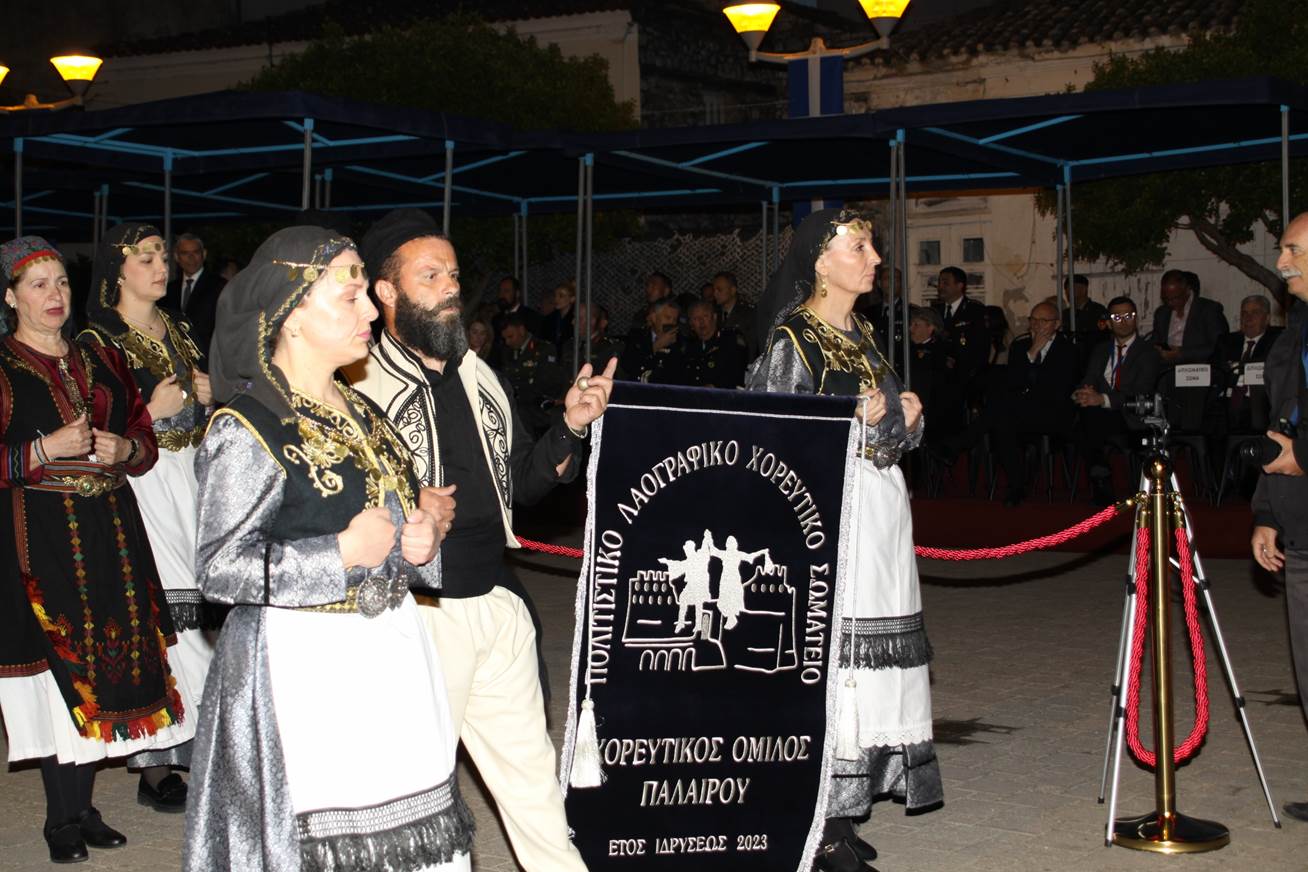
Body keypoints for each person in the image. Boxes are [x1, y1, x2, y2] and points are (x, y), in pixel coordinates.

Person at [183, 225, 471, 871]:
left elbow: (399, 539)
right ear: (291, 314)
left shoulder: (368, 417)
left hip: (395, 654)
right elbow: (220, 569)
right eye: (350, 297)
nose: (370, 310)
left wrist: (422, 541)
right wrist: (339, 552)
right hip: (305, 671)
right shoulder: (247, 426)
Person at [350, 207, 616, 872]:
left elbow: (523, 483)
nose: (450, 287)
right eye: (430, 275)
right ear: (386, 291)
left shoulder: (480, 374)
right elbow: (334, 511)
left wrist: (571, 427)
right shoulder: (357, 385)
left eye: (454, 274)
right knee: (416, 797)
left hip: (496, 599)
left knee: (533, 783)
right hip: (417, 613)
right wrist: (405, 506)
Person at [749, 209, 939, 872]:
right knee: (834, 667)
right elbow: (772, 439)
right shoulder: (794, 339)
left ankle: (844, 809)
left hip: (879, 519)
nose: (874, 258)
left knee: (869, 671)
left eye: (872, 247)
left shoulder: (862, 333)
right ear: (820, 262)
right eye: (858, 247)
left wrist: (903, 420)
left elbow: (879, 432)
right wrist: (846, 423)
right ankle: (820, 823)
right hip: (829, 523)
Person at [0, 236, 193, 864]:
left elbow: (141, 434)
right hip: (40, 539)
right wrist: (42, 450)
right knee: (63, 675)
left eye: (61, 282)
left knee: (104, 667)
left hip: (110, 531)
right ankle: (61, 818)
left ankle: (83, 809)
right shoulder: (3, 366)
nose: (54, 295)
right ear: (11, 298)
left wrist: (125, 448)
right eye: (38, 285)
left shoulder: (97, 358)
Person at [80, 223, 218, 813]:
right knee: (169, 622)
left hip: (196, 477)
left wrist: (210, 395)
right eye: (146, 258)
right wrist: (149, 410)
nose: (161, 266)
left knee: (206, 614)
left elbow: (204, 404)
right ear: (118, 271)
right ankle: (161, 761)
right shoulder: (97, 340)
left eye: (162, 255)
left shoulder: (180, 328)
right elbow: (92, 425)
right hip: (145, 484)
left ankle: (205, 748)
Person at [1252, 212, 1308, 824]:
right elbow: (1279, 426)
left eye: (1292, 250)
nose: (1282, 262)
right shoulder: (1294, 333)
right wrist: (1267, 511)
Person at [1073, 295, 1163, 505]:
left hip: (1133, 415)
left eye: (1128, 316)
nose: (1123, 321)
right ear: (1108, 322)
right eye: (1117, 317)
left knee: (1090, 418)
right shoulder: (1100, 350)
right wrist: (1083, 392)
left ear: (1136, 319)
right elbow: (1089, 378)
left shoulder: (1148, 351)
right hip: (1100, 413)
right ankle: (1101, 477)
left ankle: (1101, 479)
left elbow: (1141, 391)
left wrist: (1102, 399)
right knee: (1087, 413)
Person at [990, 302, 1080, 505]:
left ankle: (960, 442)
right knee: (1002, 420)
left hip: (1052, 412)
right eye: (1034, 320)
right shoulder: (1021, 346)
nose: (1038, 325)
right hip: (1021, 411)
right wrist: (1032, 353)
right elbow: (1013, 383)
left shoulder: (1067, 349)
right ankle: (1017, 486)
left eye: (1044, 321)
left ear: (1056, 324)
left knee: (999, 413)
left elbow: (1059, 388)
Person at [1213, 294, 1281, 435]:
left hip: (1259, 401)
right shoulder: (1226, 341)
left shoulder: (1277, 340)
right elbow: (1215, 370)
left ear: (1267, 318)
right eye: (1244, 313)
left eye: (1255, 313)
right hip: (1228, 400)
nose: (1248, 318)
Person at [655, 299, 747, 388]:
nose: (701, 321)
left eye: (705, 316)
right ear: (691, 324)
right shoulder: (687, 346)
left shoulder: (729, 338)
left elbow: (736, 369)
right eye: (696, 318)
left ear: (714, 317)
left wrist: (717, 386)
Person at [163, 233, 226, 355]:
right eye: (185, 253)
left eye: (196, 252)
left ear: (204, 254)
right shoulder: (168, 290)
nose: (191, 258)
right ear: (176, 257)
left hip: (209, 357)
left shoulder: (219, 286)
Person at [1151, 269, 1227, 366]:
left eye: (1175, 298)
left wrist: (1181, 353)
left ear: (1187, 290)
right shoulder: (1162, 313)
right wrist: (1160, 349)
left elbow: (1218, 347)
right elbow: (1155, 343)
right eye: (1166, 299)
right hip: (1167, 368)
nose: (1170, 303)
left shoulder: (1208, 310)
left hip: (1199, 368)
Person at [621, 296, 681, 382]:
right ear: (654, 317)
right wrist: (655, 346)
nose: (671, 322)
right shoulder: (637, 336)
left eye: (675, 320)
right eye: (667, 318)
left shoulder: (680, 341)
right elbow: (627, 365)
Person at [711, 270, 757, 360]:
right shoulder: (713, 312)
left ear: (732, 290)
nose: (715, 294)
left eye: (719, 290)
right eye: (714, 290)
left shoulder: (748, 313)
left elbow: (752, 347)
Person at [540, 280, 576, 358]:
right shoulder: (550, 318)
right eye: (555, 295)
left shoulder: (577, 317)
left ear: (572, 299)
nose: (556, 299)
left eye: (561, 296)